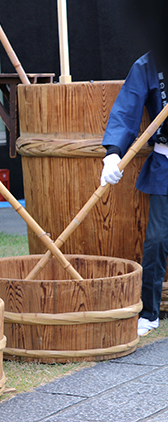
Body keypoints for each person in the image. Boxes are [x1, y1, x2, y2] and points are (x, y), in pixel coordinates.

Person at [100, 50, 168, 337]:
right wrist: (113, 153)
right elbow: (127, 108)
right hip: (166, 161)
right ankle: (150, 312)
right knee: (157, 238)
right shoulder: (149, 63)